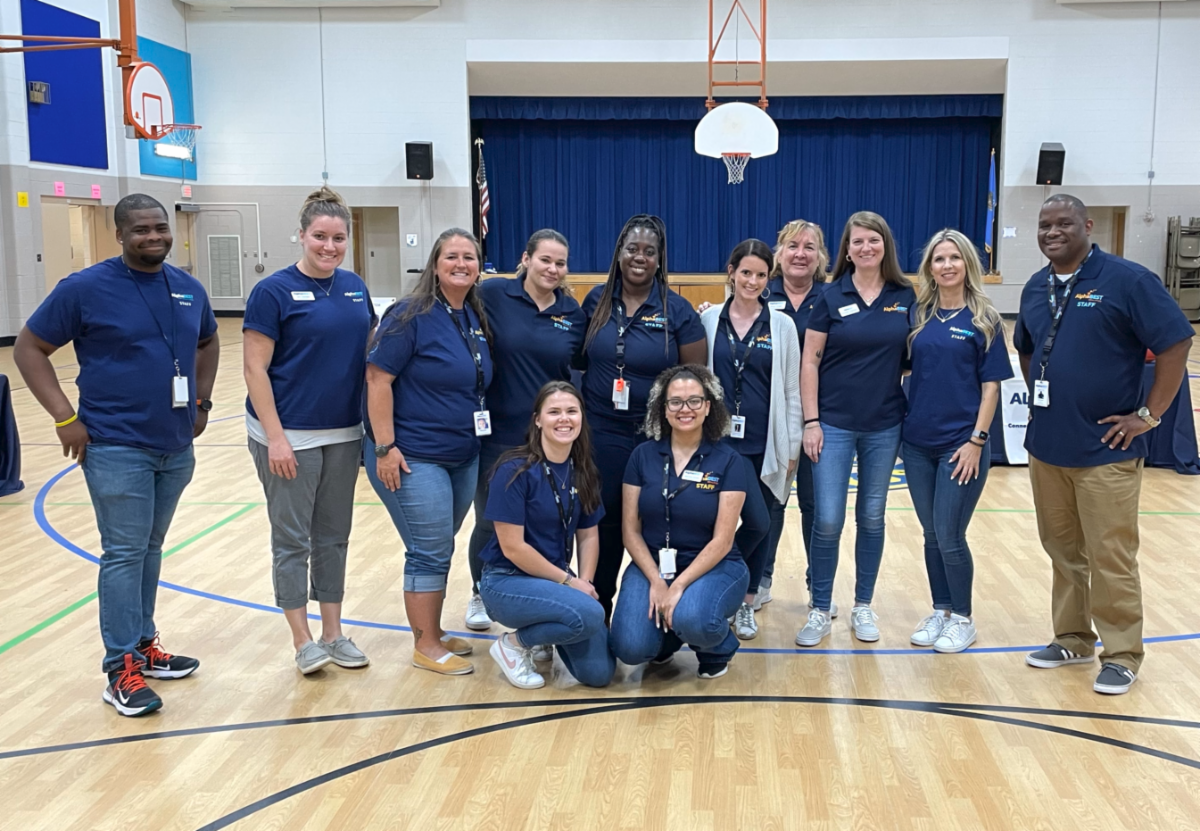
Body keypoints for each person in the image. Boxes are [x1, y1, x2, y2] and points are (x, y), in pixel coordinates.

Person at [14, 193, 219, 716]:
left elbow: (207, 342)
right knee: (125, 552)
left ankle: (144, 646)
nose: (154, 237)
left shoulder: (188, 288)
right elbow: (28, 348)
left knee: (149, 548)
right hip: (115, 444)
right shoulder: (84, 288)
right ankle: (119, 668)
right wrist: (65, 417)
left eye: (160, 227)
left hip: (174, 445)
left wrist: (201, 401)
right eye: (141, 229)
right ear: (120, 234)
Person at [1014, 194, 1193, 695]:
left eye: (1064, 223)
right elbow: (1027, 350)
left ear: (1087, 225)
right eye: (1045, 225)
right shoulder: (1035, 287)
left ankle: (1122, 654)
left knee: (1110, 554)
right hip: (1047, 446)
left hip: (1106, 450)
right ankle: (1072, 638)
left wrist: (1148, 415)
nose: (1052, 232)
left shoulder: (1128, 280)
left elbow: (1176, 342)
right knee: (1063, 550)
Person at [242, 187, 376, 675]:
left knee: (334, 536)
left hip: (343, 433)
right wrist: (276, 437)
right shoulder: (272, 292)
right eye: (320, 236)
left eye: (338, 238)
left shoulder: (354, 287)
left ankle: (333, 633)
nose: (329, 246)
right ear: (301, 235)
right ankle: (302, 640)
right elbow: (255, 369)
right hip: (287, 436)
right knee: (293, 539)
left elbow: (370, 356)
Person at [364, 228, 494, 676]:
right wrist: (384, 447)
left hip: (462, 453)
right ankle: (425, 645)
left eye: (469, 257)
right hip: (413, 455)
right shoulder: (409, 314)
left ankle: (434, 632)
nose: (461, 264)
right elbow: (377, 379)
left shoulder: (472, 314)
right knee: (428, 549)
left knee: (440, 543)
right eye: (451, 256)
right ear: (435, 264)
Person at [797, 211, 916, 647]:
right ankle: (819, 607)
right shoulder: (830, 296)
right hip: (832, 424)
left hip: (885, 425)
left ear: (886, 246)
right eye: (858, 241)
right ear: (847, 250)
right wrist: (812, 421)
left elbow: (913, 357)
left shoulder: (906, 296)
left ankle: (863, 604)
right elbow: (809, 362)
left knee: (871, 516)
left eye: (874, 240)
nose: (866, 247)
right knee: (827, 519)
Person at [581, 215, 707, 618]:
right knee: (602, 523)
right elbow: (577, 362)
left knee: (652, 522)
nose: (640, 257)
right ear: (619, 253)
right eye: (632, 248)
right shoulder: (595, 302)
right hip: (601, 434)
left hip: (655, 438)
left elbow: (694, 379)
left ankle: (655, 610)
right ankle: (596, 610)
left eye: (649, 251)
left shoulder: (677, 310)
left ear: (660, 259)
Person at [464, 229, 586, 632]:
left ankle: (545, 593)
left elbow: (578, 370)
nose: (552, 269)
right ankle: (480, 591)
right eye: (545, 260)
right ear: (526, 259)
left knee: (550, 523)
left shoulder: (572, 313)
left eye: (560, 263)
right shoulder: (492, 295)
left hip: (552, 440)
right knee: (491, 522)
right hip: (499, 436)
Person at [902, 229, 1012, 653]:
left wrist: (977, 441)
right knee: (931, 534)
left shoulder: (984, 319)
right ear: (929, 267)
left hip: (961, 446)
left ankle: (963, 618)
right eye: (938, 259)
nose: (946, 265)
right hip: (917, 444)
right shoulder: (919, 315)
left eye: (954, 258)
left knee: (950, 534)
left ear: (968, 264)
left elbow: (991, 388)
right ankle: (941, 610)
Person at [609, 364, 750, 679]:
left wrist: (679, 585)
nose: (685, 409)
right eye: (675, 402)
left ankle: (718, 646)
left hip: (713, 565)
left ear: (707, 407)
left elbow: (723, 540)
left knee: (694, 619)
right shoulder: (642, 456)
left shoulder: (728, 460)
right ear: (664, 408)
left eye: (694, 401)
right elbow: (630, 531)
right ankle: (667, 638)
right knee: (629, 648)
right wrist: (657, 581)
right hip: (653, 564)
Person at [477, 382, 614, 689]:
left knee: (600, 674)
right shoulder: (513, 470)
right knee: (590, 615)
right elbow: (513, 548)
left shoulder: (584, 470)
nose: (564, 419)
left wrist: (584, 583)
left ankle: (544, 630)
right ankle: (514, 644)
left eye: (571, 411)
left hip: (555, 581)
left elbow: (589, 536)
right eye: (554, 412)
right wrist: (569, 583)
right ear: (537, 419)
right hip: (507, 581)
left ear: (581, 418)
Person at [700, 239, 801, 639]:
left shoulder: (782, 325)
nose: (753, 281)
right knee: (743, 523)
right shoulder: (709, 320)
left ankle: (745, 600)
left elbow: (791, 390)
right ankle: (718, 585)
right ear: (731, 272)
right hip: (720, 445)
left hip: (767, 443)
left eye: (761, 275)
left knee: (764, 524)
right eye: (746, 273)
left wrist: (791, 446)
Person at [759, 219, 831, 611]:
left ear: (821, 257)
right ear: (779, 254)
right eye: (792, 246)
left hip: (821, 418)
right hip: (773, 418)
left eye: (809, 247)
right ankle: (762, 579)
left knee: (816, 506)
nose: (800, 254)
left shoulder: (832, 297)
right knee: (771, 501)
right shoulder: (760, 293)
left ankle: (819, 585)